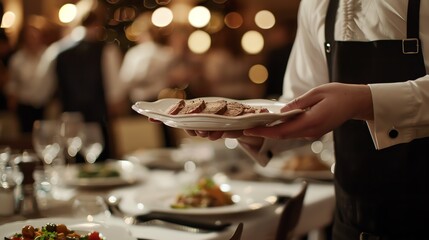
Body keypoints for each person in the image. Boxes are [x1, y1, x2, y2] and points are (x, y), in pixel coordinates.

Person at [184, 0, 429, 239]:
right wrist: (245, 128)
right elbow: (297, 101)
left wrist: (364, 101)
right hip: (351, 224)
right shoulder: (317, 3)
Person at [55, 3, 125, 161]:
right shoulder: (107, 50)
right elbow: (115, 94)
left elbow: (44, 89)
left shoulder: (58, 50)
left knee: (72, 166)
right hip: (97, 123)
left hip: (69, 121)